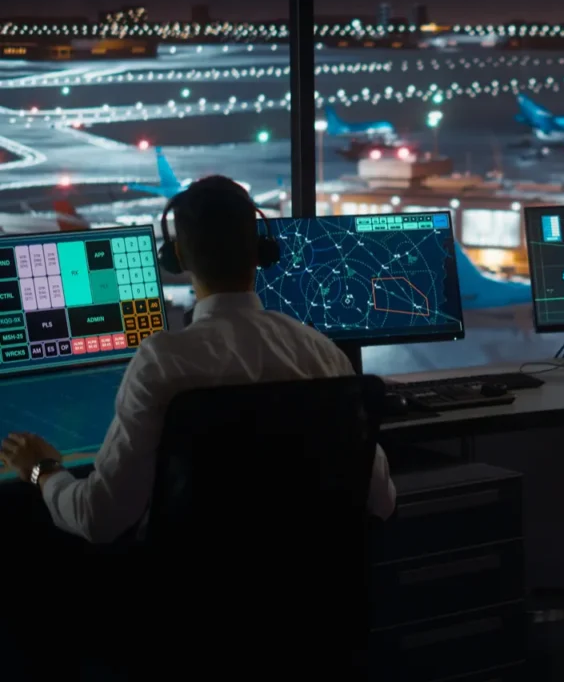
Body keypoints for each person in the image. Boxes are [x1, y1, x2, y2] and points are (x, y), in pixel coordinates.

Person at [0, 176, 397, 676]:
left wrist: (42, 471)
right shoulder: (322, 353)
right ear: (260, 252)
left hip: (184, 627)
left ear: (178, 258)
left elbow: (99, 520)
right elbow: (381, 501)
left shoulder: (163, 363)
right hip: (305, 626)